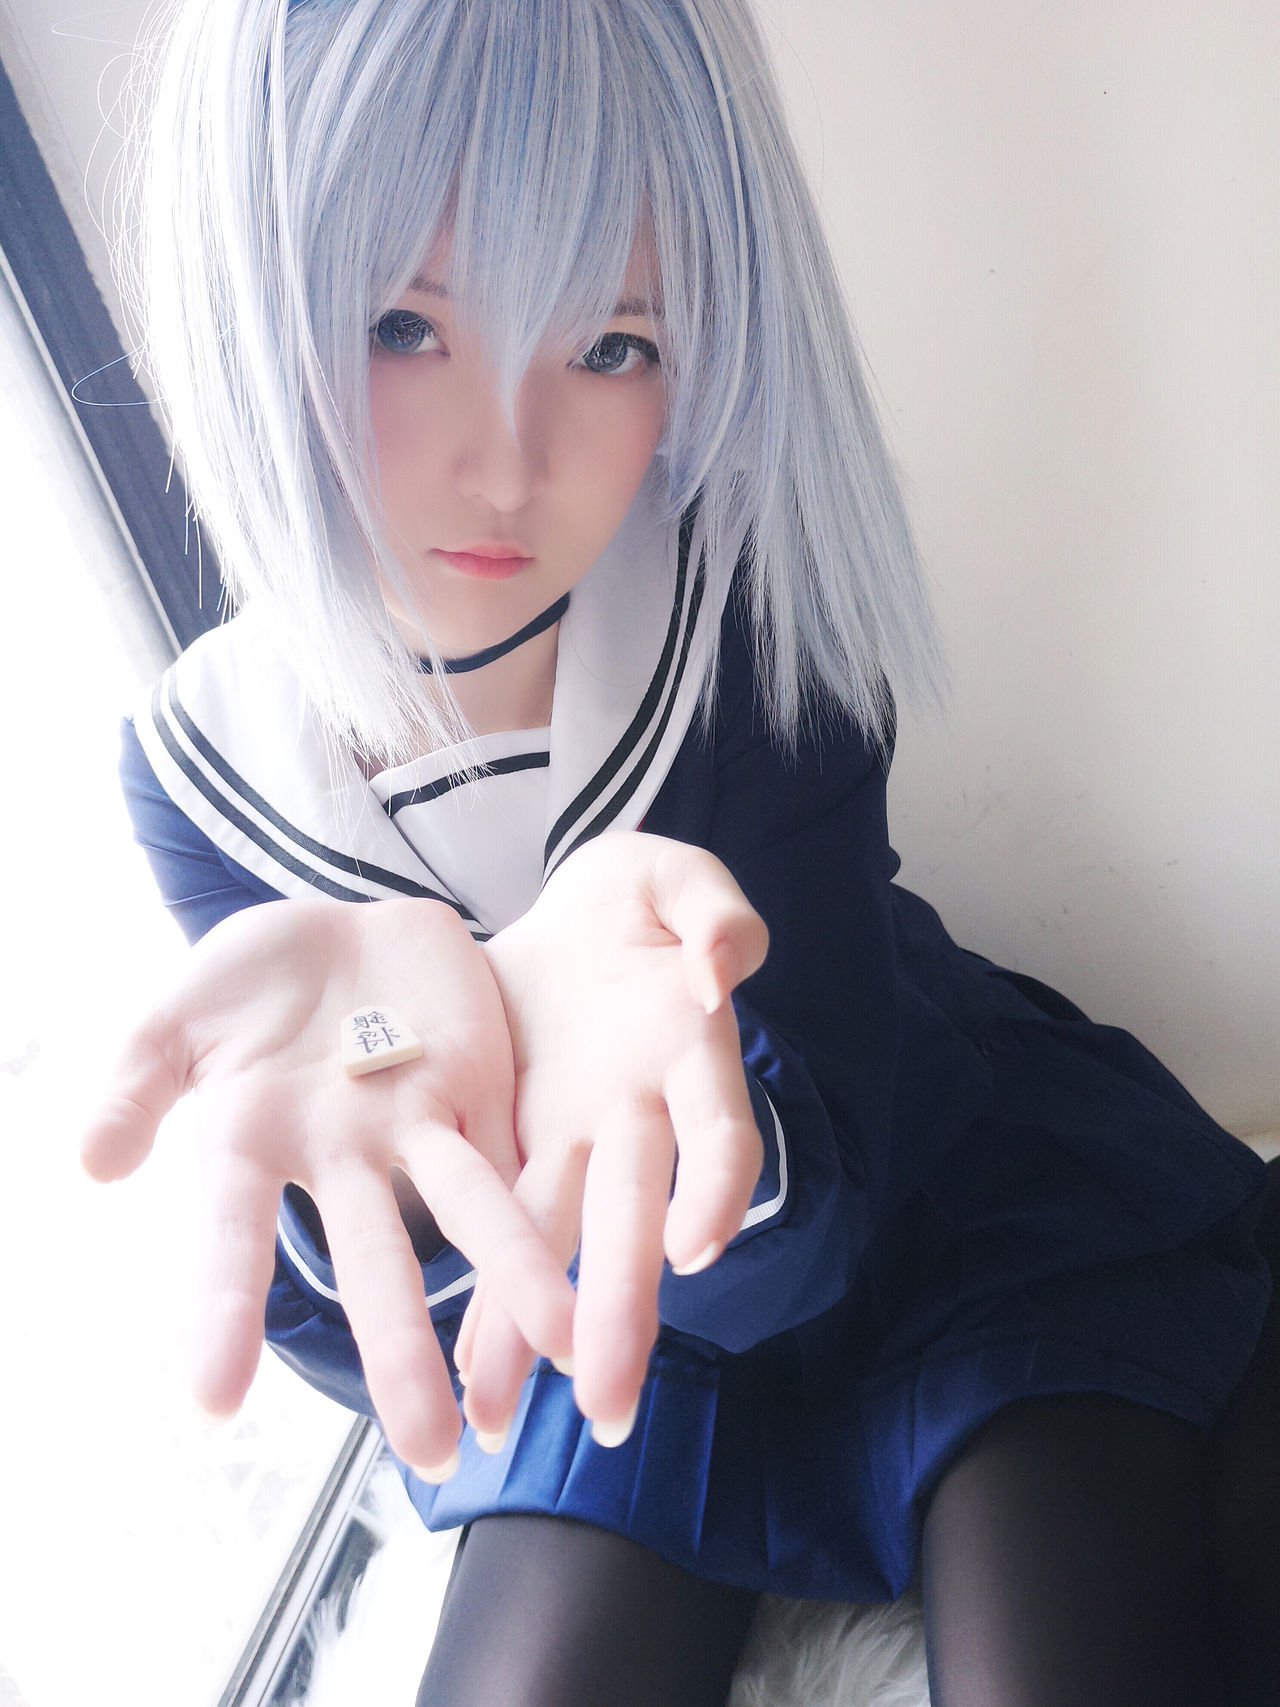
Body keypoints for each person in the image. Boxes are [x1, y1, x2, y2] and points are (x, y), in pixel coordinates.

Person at [83, 1, 1277, 1703]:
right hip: (617, 1360)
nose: (507, 460)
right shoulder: (208, 774)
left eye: (610, 344)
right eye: (403, 324)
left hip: (948, 1210)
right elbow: (396, 1323)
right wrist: (428, 1094)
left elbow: (824, 1196)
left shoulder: (759, 628)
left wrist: (655, 1074)